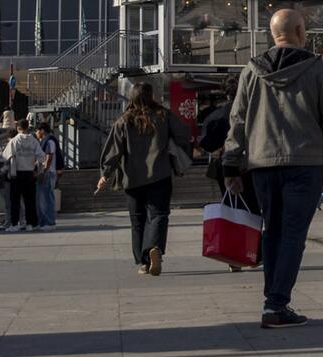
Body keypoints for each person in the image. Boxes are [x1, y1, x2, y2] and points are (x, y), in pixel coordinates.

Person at [222, 8, 323, 327]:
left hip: (262, 164)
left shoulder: (252, 70)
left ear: (271, 34)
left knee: (272, 232)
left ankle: (271, 301)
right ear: (302, 32)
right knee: (292, 235)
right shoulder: (317, 69)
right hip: (304, 163)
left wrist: (231, 163)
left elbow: (238, 119)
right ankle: (276, 304)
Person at [97, 81, 193, 276]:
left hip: (132, 179)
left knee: (138, 219)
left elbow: (113, 151)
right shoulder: (163, 116)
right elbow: (185, 132)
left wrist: (105, 174)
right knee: (159, 215)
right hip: (160, 175)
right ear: (151, 96)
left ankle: (144, 262)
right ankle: (154, 247)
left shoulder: (123, 121)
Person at [197, 97, 254, 272]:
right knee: (251, 209)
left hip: (223, 166)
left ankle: (233, 256)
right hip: (250, 165)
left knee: (231, 208)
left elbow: (205, 142)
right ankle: (251, 250)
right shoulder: (253, 110)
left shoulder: (218, 115)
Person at [1, 119, 44, 230]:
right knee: (30, 200)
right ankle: (31, 224)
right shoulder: (34, 141)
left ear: (18, 128)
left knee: (15, 200)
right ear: (27, 127)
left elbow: (5, 156)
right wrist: (37, 169)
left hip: (17, 173)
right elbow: (41, 156)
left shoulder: (14, 141)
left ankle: (14, 224)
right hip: (30, 173)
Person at [34, 121, 60, 228]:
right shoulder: (45, 141)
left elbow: (49, 157)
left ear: (42, 131)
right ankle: (44, 221)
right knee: (42, 198)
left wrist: (44, 170)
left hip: (47, 173)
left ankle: (49, 221)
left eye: (37, 131)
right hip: (46, 172)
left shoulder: (49, 141)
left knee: (47, 198)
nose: (36, 133)